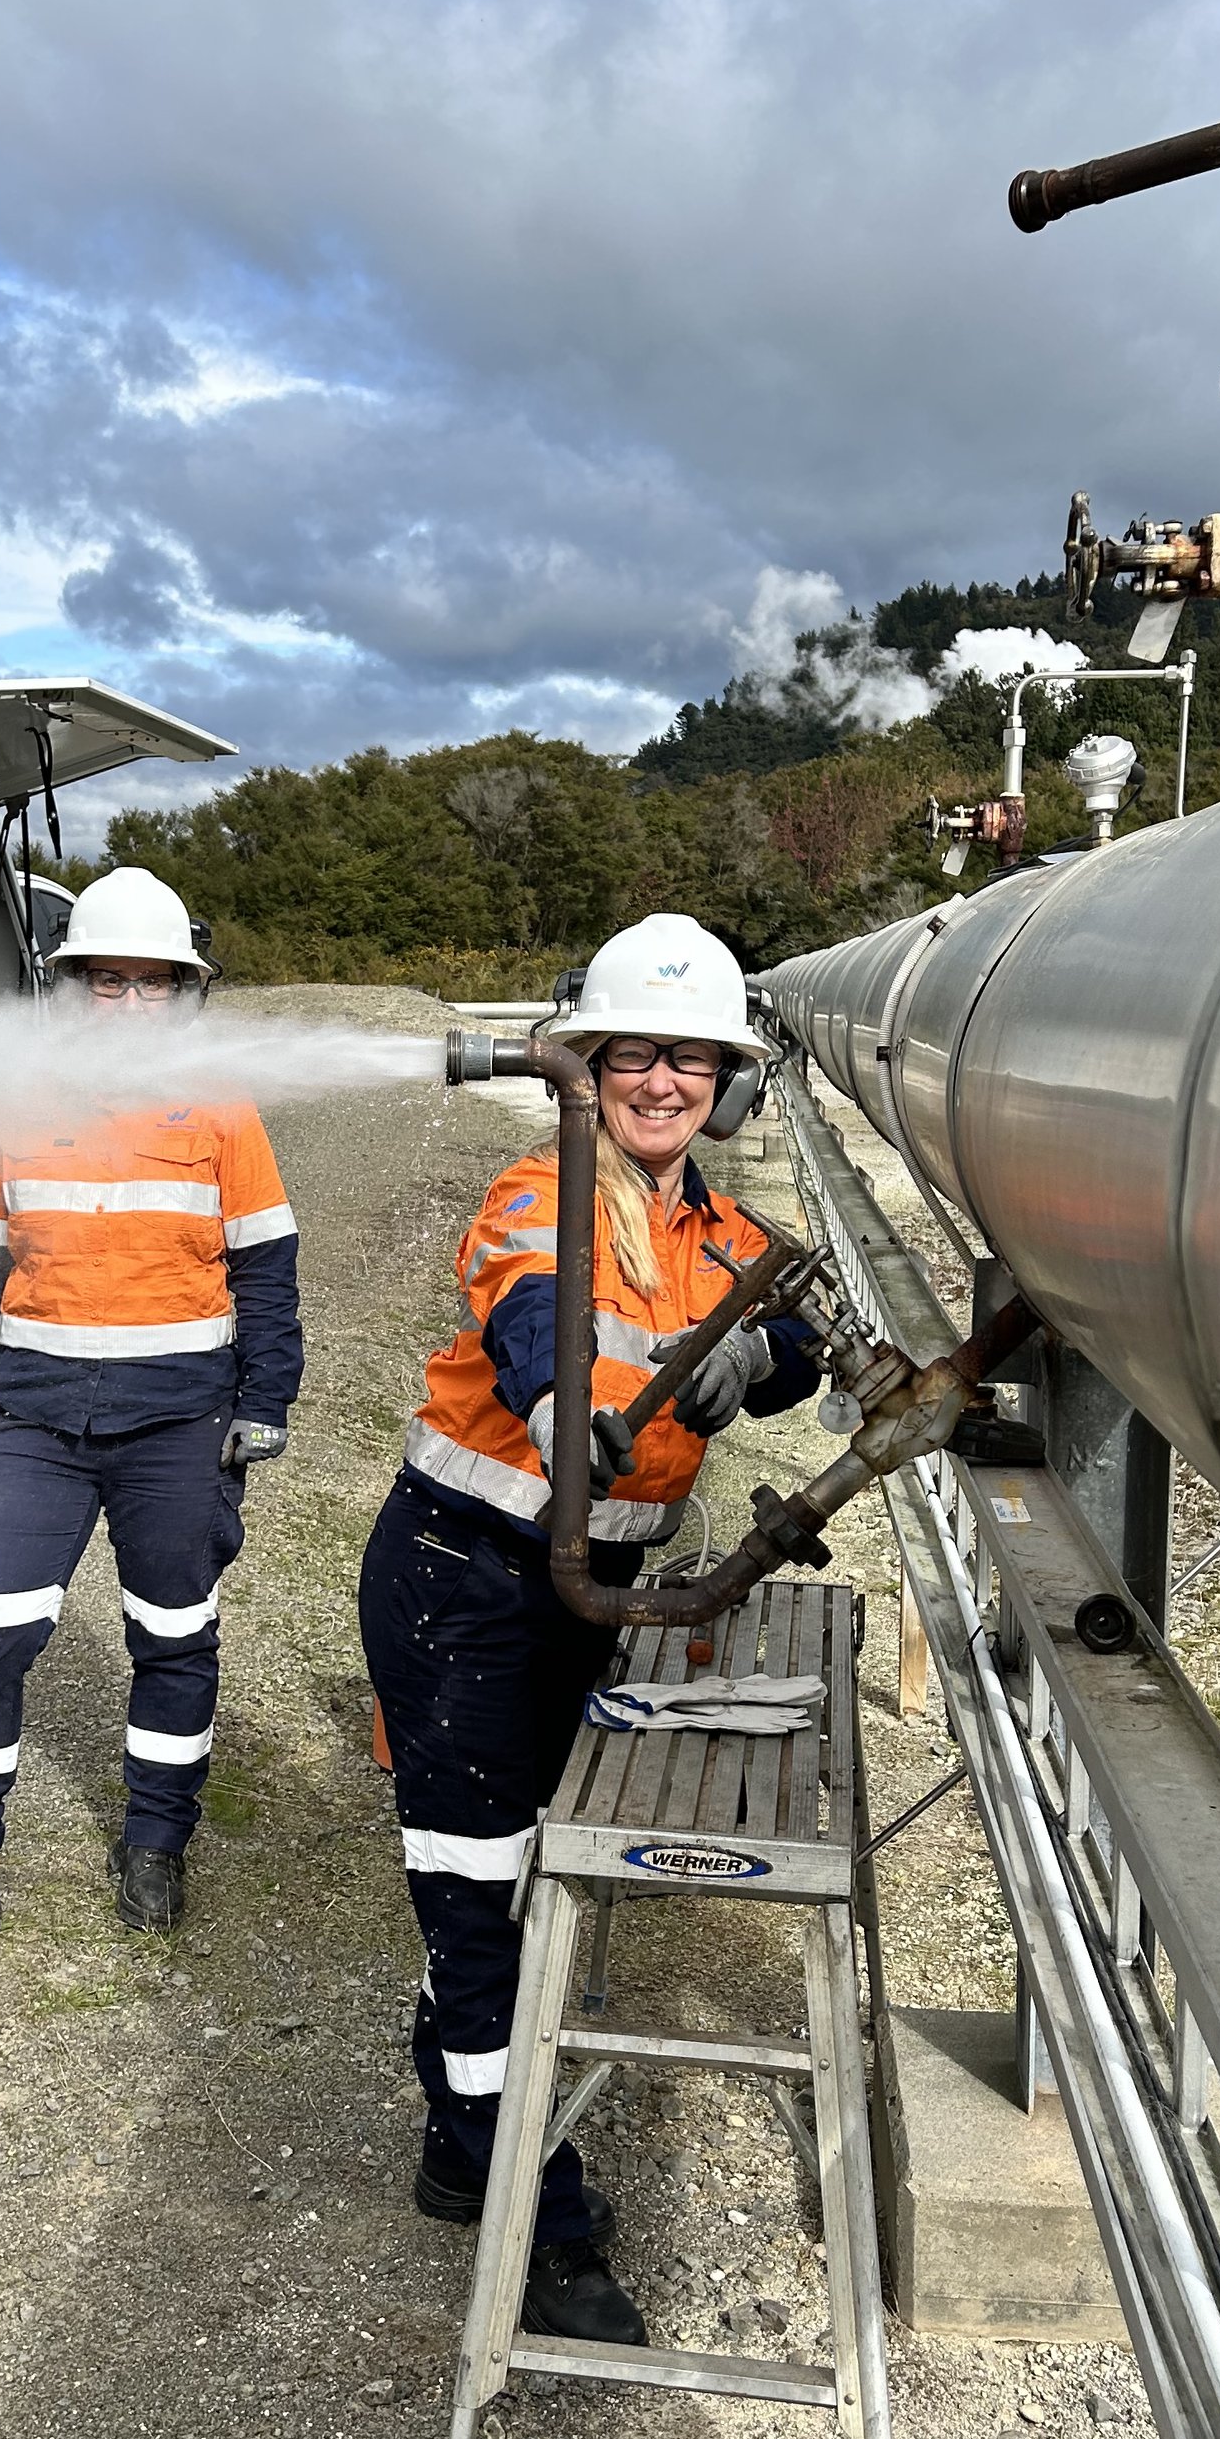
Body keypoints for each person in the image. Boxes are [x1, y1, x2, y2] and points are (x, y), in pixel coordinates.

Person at [358, 916, 822, 2343]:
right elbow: (536, 1318)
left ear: (728, 1084)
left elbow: (792, 1317)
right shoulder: (530, 1197)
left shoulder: (712, 1227)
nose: (664, 1080)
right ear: (591, 1064)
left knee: (517, 1896)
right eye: (637, 1053)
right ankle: (535, 2230)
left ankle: (459, 2143)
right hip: (466, 1586)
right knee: (482, 1907)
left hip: (583, 1599)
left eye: (693, 1057)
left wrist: (767, 1355)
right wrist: (583, 1417)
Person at [0, 866, 304, 1941]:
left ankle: (155, 1846)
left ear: (184, 995)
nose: (127, 1003)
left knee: (173, 1638)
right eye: (104, 981)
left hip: (179, 1426)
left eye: (151, 983)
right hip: (32, 1423)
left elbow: (267, 1268)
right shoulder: (16, 1105)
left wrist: (267, 1399)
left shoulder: (222, 1105)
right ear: (67, 986)